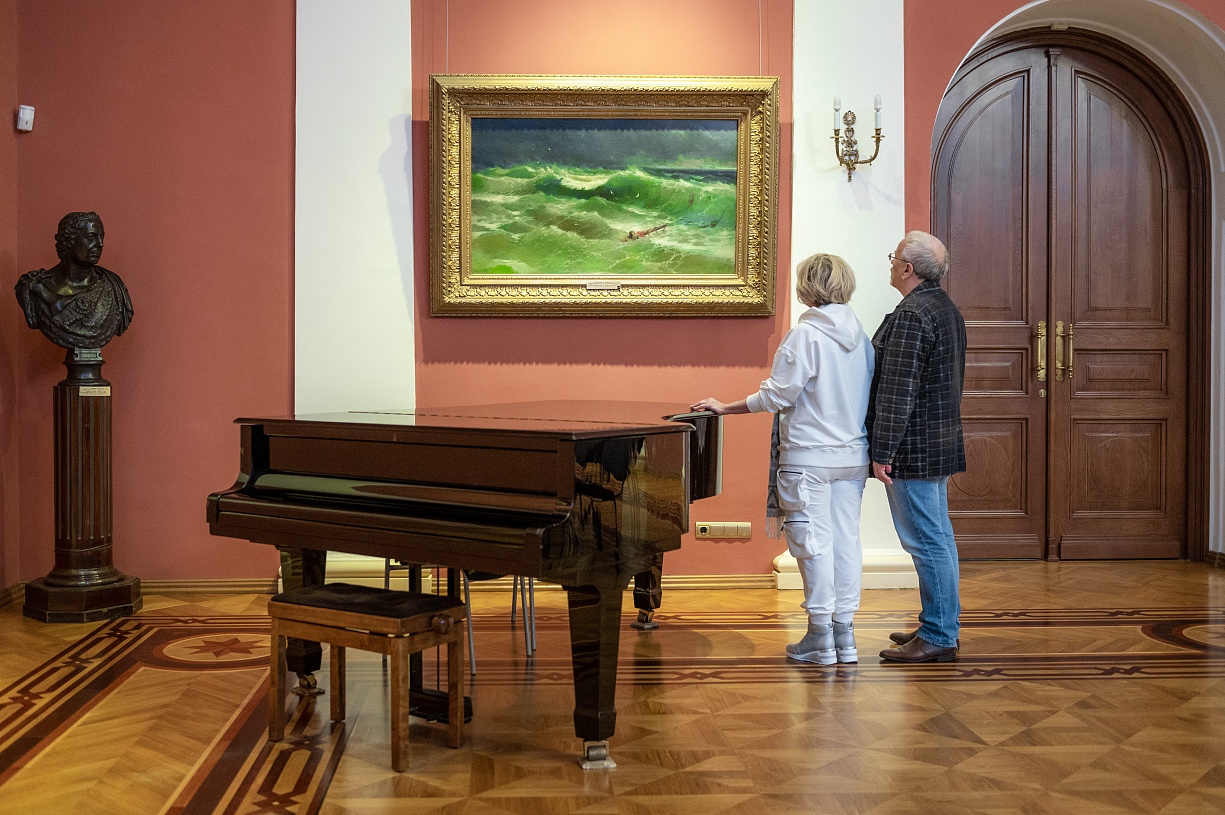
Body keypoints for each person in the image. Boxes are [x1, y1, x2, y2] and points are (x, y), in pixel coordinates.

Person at [692, 253, 874, 664]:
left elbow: (777, 395)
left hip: (808, 459)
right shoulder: (861, 338)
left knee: (812, 545)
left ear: (807, 286)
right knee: (846, 543)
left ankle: (820, 637)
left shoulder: (804, 336)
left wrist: (726, 407)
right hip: (852, 458)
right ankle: (845, 637)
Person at [869, 230, 966, 663]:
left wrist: (882, 451)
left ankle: (939, 634)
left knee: (927, 542)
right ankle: (939, 624)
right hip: (937, 443)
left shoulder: (913, 313)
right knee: (938, 538)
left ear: (907, 268)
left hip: (914, 449)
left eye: (894, 258)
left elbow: (898, 391)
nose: (891, 263)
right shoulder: (943, 307)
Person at [14, 211, 133, 350]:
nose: (100, 244)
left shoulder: (113, 287)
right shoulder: (33, 286)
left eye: (102, 237)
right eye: (91, 238)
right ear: (69, 241)